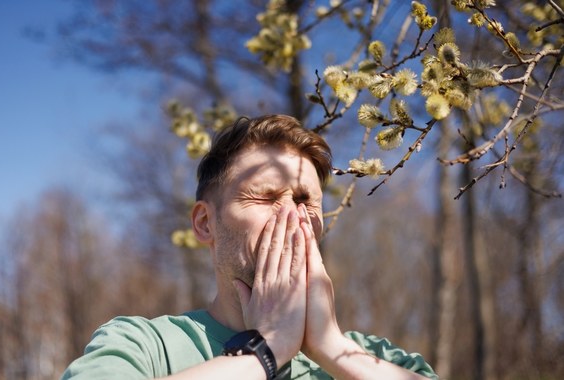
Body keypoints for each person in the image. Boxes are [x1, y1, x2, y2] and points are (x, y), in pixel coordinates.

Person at [62, 115, 438, 379]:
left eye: (306, 200)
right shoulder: (142, 346)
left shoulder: (383, 360)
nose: (293, 215)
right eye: (266, 197)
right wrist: (265, 348)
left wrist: (331, 347)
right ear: (205, 223)